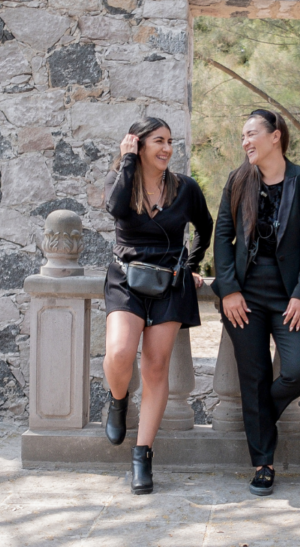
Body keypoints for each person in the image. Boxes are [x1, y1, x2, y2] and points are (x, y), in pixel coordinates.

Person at [212, 110, 300, 496]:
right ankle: (263, 463)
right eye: (242, 136)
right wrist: (228, 289)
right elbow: (223, 239)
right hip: (244, 298)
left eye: (251, 134)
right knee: (254, 375)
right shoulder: (237, 180)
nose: (245, 142)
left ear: (275, 136)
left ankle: (260, 414)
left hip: (288, 296)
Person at [102, 117, 213, 495]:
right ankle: (117, 401)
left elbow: (205, 226)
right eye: (157, 141)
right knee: (119, 354)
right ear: (138, 143)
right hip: (126, 278)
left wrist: (192, 265)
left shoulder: (185, 188)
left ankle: (142, 455)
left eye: (170, 141)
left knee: (155, 366)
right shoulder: (122, 180)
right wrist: (128, 161)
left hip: (170, 282)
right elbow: (115, 209)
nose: (166, 148)